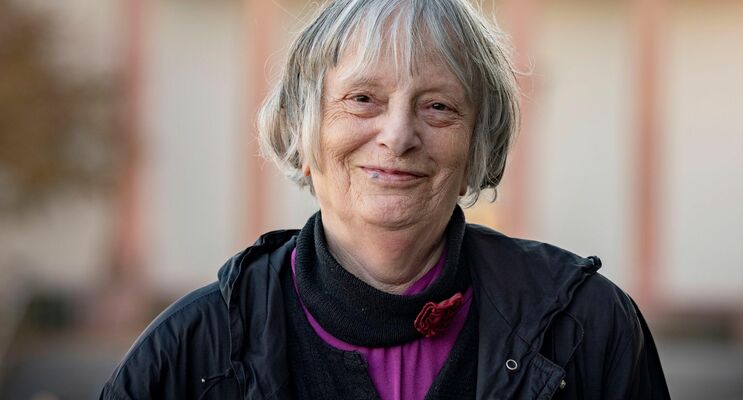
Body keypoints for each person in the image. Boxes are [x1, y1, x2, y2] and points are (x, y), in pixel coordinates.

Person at [101, 0, 670, 399]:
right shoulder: (192, 352)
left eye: (438, 106)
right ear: (302, 134)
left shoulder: (586, 328)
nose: (398, 136)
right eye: (363, 99)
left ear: (478, 146)